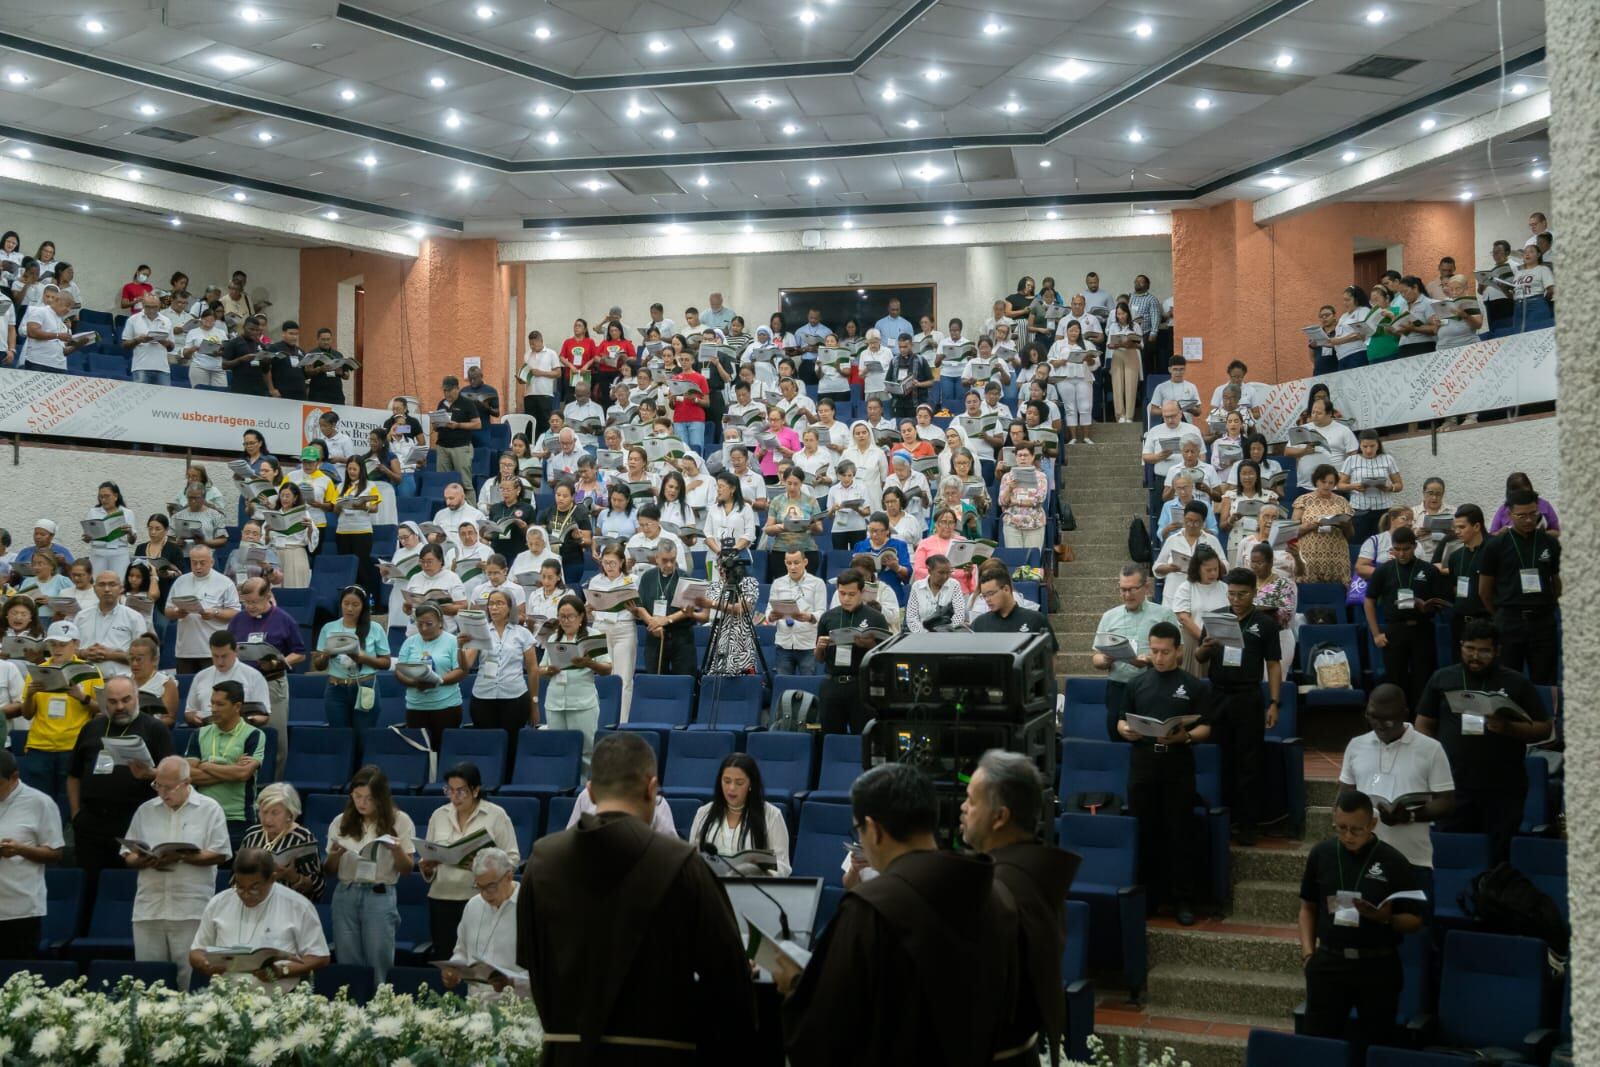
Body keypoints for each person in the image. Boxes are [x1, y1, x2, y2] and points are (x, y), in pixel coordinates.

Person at [519, 731, 755, 1062]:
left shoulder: (541, 863)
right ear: (651, 788)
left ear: (590, 791)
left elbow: (533, 965)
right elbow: (730, 979)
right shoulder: (683, 864)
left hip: (568, 1055)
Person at [779, 762, 1021, 1064]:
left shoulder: (870, 908)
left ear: (875, 830)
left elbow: (827, 1030)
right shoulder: (994, 891)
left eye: (859, 830)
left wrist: (794, 987)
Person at [959, 749, 1082, 1065]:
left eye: (972, 801)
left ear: (999, 817)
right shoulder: (1032, 870)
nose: (963, 808)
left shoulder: (1001, 891)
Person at [1414, 621, 1552, 864]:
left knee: (1499, 858)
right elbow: (1423, 724)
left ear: (1497, 650)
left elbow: (1544, 728)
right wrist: (1431, 760)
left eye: (1484, 651)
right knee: (1456, 854)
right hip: (1454, 786)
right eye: (1469, 649)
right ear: (1461, 647)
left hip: (1503, 789)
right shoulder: (1443, 678)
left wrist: (1509, 728)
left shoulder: (1516, 683)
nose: (1475, 656)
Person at [1297, 790, 1426, 1050]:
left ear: (1372, 824)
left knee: (1376, 1045)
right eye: (1340, 828)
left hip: (1376, 965)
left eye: (1356, 830)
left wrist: (1385, 918)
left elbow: (1415, 920)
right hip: (1329, 963)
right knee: (1319, 1045)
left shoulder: (1393, 861)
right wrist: (1308, 954)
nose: (1347, 836)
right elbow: (1307, 907)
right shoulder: (1322, 854)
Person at [1111, 622, 1213, 925]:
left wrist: (1187, 737)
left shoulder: (1192, 685)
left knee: (1179, 831)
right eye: (1154, 651)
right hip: (1143, 764)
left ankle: (1182, 898)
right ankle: (1150, 896)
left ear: (1179, 651)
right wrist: (1126, 730)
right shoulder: (1137, 684)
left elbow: (1206, 727)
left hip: (1177, 764)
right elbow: (1120, 720)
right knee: (1145, 830)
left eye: (1165, 652)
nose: (1159, 657)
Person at [124, 756, 232, 991]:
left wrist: (182, 856)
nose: (162, 792)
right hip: (149, 908)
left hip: (190, 908)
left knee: (189, 980)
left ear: (186, 782)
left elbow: (220, 853)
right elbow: (127, 854)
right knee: (149, 982)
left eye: (169, 787)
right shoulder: (146, 810)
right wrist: (142, 859)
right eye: (158, 785)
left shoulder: (209, 809)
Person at [1195, 568, 1282, 845]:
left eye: (1241, 594)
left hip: (1248, 696)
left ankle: (1248, 823)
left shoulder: (1265, 623)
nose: (1236, 599)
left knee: (1248, 762)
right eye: (1231, 594)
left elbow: (1273, 664)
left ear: (1254, 593)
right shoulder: (1216, 617)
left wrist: (1274, 702)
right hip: (1218, 695)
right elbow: (1199, 657)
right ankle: (1223, 818)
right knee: (1220, 758)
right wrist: (1206, 648)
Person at [1337, 685, 1454, 875]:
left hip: (1412, 859)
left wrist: (1409, 815)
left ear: (1404, 714)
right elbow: (1344, 795)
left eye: (1387, 719)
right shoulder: (1356, 745)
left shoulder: (1431, 749)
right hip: (1362, 856)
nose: (1379, 725)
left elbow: (1446, 802)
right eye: (1373, 716)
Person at [66, 674, 172, 879]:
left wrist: (150, 773)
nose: (120, 706)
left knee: (126, 885)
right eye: (113, 701)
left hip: (134, 821)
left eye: (126, 700)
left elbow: (172, 777)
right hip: (91, 824)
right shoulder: (91, 728)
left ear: (136, 698)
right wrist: (76, 814)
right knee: (89, 887)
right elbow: (73, 775)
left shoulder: (154, 729)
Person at [188, 846, 330, 991]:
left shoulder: (298, 906)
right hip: (226, 997)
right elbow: (196, 952)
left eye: (254, 887)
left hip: (280, 1000)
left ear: (272, 878)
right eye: (240, 887)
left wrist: (282, 971)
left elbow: (319, 957)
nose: (246, 894)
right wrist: (206, 965)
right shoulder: (219, 903)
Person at [324, 765, 415, 984]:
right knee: (347, 960)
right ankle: (353, 1008)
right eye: (357, 796)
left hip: (379, 893)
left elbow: (407, 869)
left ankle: (380, 1008)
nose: (362, 803)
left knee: (378, 959)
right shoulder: (340, 821)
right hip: (346, 891)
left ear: (381, 798)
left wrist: (397, 850)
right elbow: (328, 871)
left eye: (369, 798)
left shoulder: (399, 820)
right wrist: (335, 855)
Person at [422, 762, 520, 961]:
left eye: (461, 791)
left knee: (478, 959)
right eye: (450, 790)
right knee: (448, 961)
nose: (454, 797)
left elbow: (512, 858)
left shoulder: (495, 815)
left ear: (475, 790)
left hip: (479, 898)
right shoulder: (439, 815)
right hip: (442, 898)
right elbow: (429, 855)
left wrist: (485, 866)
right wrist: (427, 867)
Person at [17, 620, 106, 809]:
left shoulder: (89, 670)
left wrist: (82, 697)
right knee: (38, 805)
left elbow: (104, 710)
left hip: (73, 746)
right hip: (39, 746)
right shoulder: (38, 671)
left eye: (63, 645)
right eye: (53, 644)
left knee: (69, 803)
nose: (57, 649)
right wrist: (30, 695)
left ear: (76, 645)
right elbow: (27, 714)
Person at [1477, 488, 1561, 683]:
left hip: (1542, 622)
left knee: (1545, 679)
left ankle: (1544, 714)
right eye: (1521, 515)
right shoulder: (1496, 545)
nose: (1529, 520)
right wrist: (1499, 615)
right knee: (1507, 679)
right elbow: (1484, 591)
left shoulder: (1549, 542)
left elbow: (1556, 582)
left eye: (1533, 514)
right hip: (1509, 621)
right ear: (1509, 515)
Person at [1363, 526, 1446, 709]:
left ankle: (1422, 721)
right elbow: (1369, 601)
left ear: (1415, 546)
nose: (1402, 554)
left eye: (1406, 549)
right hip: (1395, 630)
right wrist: (1376, 633)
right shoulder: (1384, 570)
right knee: (1395, 680)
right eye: (1397, 549)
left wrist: (1427, 607)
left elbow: (1441, 601)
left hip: (1422, 628)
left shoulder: (1429, 570)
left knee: (1423, 679)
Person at [440, 847, 530, 1000]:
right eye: (479, 887)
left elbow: (545, 971)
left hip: (516, 1007)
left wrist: (512, 982)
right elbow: (461, 951)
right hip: (476, 1006)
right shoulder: (473, 905)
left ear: (509, 876)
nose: (485, 894)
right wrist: (453, 970)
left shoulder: (530, 908)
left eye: (491, 887)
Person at [0, 749, 65, 959]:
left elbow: (55, 853)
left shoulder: (40, 802)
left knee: (16, 977)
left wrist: (20, 849)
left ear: (14, 778)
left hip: (20, 908)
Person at [186, 680, 265, 850]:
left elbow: (243, 775)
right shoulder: (199, 733)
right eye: (212, 703)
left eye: (220, 704)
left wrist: (206, 766)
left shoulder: (254, 735)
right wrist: (231, 770)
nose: (213, 709)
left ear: (237, 707)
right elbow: (189, 775)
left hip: (238, 818)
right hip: (202, 815)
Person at [538, 594, 611, 774]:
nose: (566, 620)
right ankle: (562, 785)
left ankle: (585, 790)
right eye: (562, 616)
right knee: (559, 748)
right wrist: (549, 671)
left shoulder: (593, 636)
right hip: (555, 702)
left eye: (570, 616)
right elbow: (540, 670)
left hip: (582, 702)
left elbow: (607, 668)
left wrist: (589, 663)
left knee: (586, 751)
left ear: (580, 617)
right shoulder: (554, 638)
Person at [1091, 564, 1177, 717]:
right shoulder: (1109, 617)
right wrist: (1106, 659)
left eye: (1132, 589)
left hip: (1154, 685)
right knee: (1116, 733)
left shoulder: (1164, 615)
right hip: (1118, 687)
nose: (1127, 595)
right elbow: (1095, 658)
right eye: (1123, 589)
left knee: (1151, 735)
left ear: (1146, 587)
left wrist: (1152, 660)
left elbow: (1179, 656)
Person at [814, 568, 890, 735]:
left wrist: (869, 645)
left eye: (851, 594)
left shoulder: (875, 617)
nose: (846, 598)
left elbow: (884, 658)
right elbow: (819, 659)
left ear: (861, 592)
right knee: (831, 736)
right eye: (842, 593)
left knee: (862, 736)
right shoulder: (828, 617)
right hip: (832, 683)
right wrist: (819, 648)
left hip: (860, 683)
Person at [689, 752, 792, 875]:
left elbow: (782, 865)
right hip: (711, 888)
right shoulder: (704, 813)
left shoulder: (772, 815)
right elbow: (692, 858)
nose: (731, 788)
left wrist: (759, 874)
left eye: (739, 783)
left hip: (752, 888)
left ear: (751, 784)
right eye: (726, 781)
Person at [312, 586, 391, 730]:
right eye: (346, 603)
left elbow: (386, 663)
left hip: (364, 686)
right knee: (340, 736)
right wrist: (326, 655)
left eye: (355, 605)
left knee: (363, 735)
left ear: (363, 606)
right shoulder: (329, 628)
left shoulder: (374, 628)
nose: (349, 609)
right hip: (336, 688)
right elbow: (319, 665)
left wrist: (364, 658)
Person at [395, 602, 467, 749]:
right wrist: (414, 682)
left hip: (446, 707)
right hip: (416, 707)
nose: (424, 628)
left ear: (440, 622)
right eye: (419, 624)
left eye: (429, 624)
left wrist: (437, 680)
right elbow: (399, 671)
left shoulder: (452, 641)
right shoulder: (410, 642)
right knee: (419, 753)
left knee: (444, 752)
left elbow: (460, 671)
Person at [239, 782, 324, 902]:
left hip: (287, 905)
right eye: (264, 811)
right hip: (252, 901)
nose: (267, 819)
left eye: (275, 813)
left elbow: (317, 885)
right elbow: (236, 874)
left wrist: (292, 876)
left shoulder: (303, 838)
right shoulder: (252, 834)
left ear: (290, 813)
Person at [164, 544, 241, 675]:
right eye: (194, 563)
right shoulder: (181, 581)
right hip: (185, 650)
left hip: (213, 651)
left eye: (202, 563)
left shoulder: (225, 582)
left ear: (211, 562)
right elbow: (167, 610)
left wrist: (215, 612)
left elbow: (235, 613)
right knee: (186, 689)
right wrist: (177, 612)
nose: (198, 567)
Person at [183, 630, 270, 728]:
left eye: (224, 656)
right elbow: (189, 712)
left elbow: (264, 715)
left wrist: (244, 721)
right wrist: (194, 718)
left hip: (241, 732)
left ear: (236, 651)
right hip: (207, 731)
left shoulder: (254, 676)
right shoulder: (201, 676)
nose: (220, 662)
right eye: (215, 656)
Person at [763, 549, 828, 676]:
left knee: (808, 685)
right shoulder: (777, 583)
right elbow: (769, 611)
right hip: (784, 643)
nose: (792, 567)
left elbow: (822, 613)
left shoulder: (817, 583)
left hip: (808, 644)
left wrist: (810, 617)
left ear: (805, 562)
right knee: (783, 684)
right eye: (789, 563)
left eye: (796, 563)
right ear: (785, 563)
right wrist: (771, 616)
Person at [72, 570, 147, 680]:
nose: (107, 589)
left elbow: (143, 656)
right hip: (85, 682)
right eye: (102, 585)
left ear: (121, 588)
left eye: (112, 585)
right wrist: (84, 653)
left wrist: (111, 655)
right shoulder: (81, 616)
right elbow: (70, 652)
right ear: (94, 588)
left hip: (121, 684)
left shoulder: (134, 617)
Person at [1437, 504, 1491, 653]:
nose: (1457, 532)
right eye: (1455, 527)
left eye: (1462, 527)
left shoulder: (1493, 549)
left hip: (1486, 620)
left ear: (1476, 526)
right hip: (1461, 621)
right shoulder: (1455, 556)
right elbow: (1455, 587)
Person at [1293, 464, 1356, 586]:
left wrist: (1345, 525)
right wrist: (1316, 523)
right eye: (1323, 482)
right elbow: (1293, 531)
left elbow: (1351, 534)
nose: (1327, 486)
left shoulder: (1342, 501)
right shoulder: (1303, 500)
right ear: (1316, 481)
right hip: (1309, 554)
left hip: (1337, 555)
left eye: (1331, 483)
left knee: (1338, 592)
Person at [972, 561, 1058, 648]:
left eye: (991, 594)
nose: (987, 599)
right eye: (984, 596)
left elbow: (1051, 655)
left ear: (1006, 589)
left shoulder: (1035, 619)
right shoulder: (979, 624)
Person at [1338, 431, 1403, 543]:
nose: (1369, 450)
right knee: (1359, 543)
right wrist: (1353, 486)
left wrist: (1389, 488)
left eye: (1372, 446)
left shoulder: (1388, 459)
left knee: (1383, 543)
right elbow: (1339, 485)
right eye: (1365, 446)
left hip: (1383, 510)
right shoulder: (1351, 460)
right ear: (1360, 445)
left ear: (1378, 444)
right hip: (1359, 510)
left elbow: (1399, 485)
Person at [434, 375, 484, 475]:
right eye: (445, 390)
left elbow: (478, 424)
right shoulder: (441, 404)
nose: (447, 393)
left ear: (457, 388)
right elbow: (436, 427)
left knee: (464, 480)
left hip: (460, 447)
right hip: (443, 446)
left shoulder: (467, 403)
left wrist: (458, 425)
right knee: (442, 479)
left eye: (449, 390)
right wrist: (436, 424)